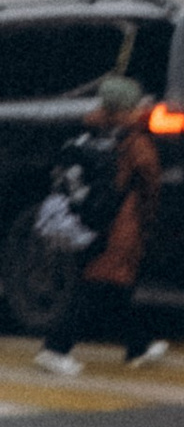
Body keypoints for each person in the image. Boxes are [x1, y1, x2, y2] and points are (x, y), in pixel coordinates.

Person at [32, 73, 170, 378]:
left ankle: (138, 347)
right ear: (125, 109)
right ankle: (55, 349)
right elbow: (150, 185)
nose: (141, 108)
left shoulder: (90, 132)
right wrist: (149, 224)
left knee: (116, 290)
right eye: (136, 104)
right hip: (121, 225)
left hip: (86, 221)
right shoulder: (134, 142)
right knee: (97, 286)